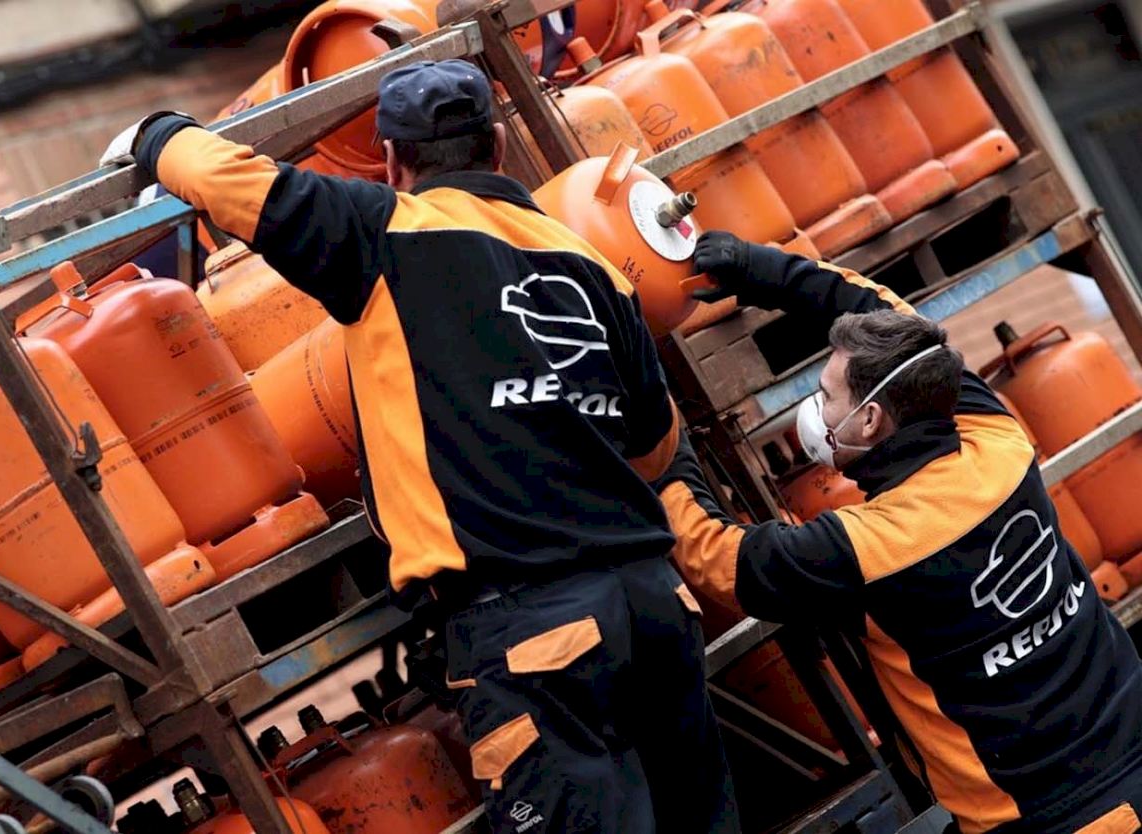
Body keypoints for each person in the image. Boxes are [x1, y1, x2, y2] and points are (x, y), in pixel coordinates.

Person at [101, 60, 739, 834]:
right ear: (497, 146)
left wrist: (157, 134)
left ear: (392, 161)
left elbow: (236, 185)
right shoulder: (590, 262)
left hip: (535, 635)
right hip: (653, 607)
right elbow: (654, 441)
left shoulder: (383, 235)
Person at [654, 230, 1142, 834]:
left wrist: (662, 445)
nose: (818, 409)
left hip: (1045, 819)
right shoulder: (998, 441)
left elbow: (718, 558)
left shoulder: (871, 547)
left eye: (826, 396)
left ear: (870, 420)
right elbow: (893, 320)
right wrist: (761, 270)